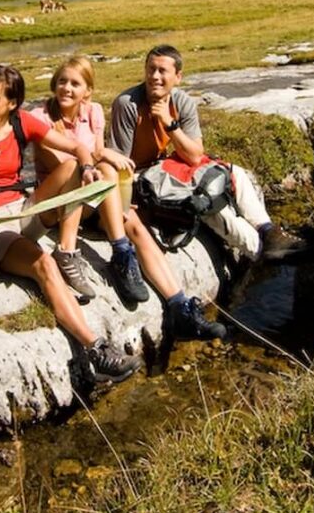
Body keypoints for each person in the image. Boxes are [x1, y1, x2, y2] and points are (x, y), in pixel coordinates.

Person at [0, 64, 141, 383]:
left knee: (73, 166)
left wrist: (88, 169)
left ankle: (68, 248)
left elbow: (77, 148)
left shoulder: (22, 122)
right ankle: (95, 349)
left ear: (12, 103)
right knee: (43, 265)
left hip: (21, 209)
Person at [29, 56, 226, 340]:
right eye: (62, 81)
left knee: (133, 223)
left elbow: (96, 154)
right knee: (104, 169)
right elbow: (69, 162)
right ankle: (120, 252)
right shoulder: (40, 117)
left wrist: (108, 167)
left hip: (91, 195)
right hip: (60, 202)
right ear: (53, 84)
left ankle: (178, 306)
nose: (67, 89)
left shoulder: (94, 111)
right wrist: (103, 156)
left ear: (88, 90)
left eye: (75, 83)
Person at [109, 44, 305, 261]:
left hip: (165, 166)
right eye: (151, 69)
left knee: (234, 172)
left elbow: (194, 154)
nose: (155, 76)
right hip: (141, 177)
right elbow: (120, 163)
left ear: (178, 77)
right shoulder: (127, 104)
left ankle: (268, 232)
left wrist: (169, 123)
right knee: (204, 198)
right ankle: (261, 252)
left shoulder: (181, 101)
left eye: (162, 71)